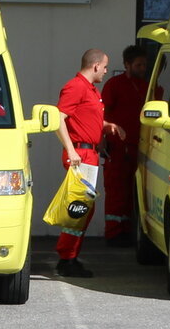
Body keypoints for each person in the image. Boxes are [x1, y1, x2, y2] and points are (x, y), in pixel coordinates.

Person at [53, 49, 116, 278]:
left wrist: (105, 125)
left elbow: (85, 118)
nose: (107, 71)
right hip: (80, 155)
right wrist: (71, 150)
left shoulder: (89, 89)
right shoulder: (76, 87)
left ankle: (70, 257)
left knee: (84, 209)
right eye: (106, 66)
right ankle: (66, 259)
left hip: (88, 154)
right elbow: (58, 118)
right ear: (96, 66)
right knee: (78, 209)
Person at [97, 44, 154, 247]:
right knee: (116, 190)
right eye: (138, 65)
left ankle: (129, 230)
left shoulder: (149, 87)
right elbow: (101, 114)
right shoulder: (114, 84)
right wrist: (102, 140)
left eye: (144, 65)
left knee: (134, 191)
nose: (142, 68)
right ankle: (113, 233)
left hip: (141, 147)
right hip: (118, 147)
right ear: (127, 64)